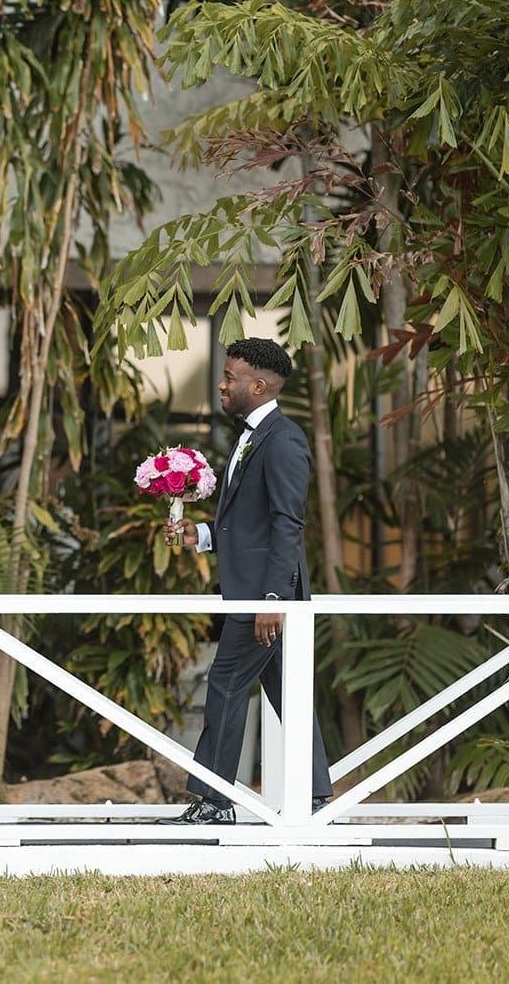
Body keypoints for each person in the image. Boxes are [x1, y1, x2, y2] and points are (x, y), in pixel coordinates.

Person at [159, 337, 332, 824]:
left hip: (265, 598)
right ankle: (315, 796)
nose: (221, 384)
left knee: (227, 685)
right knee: (290, 695)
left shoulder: (284, 440)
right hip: (259, 592)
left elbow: (286, 525)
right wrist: (203, 534)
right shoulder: (253, 435)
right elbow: (247, 524)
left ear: (258, 385)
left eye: (230, 377)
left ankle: (214, 801)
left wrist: (273, 599)